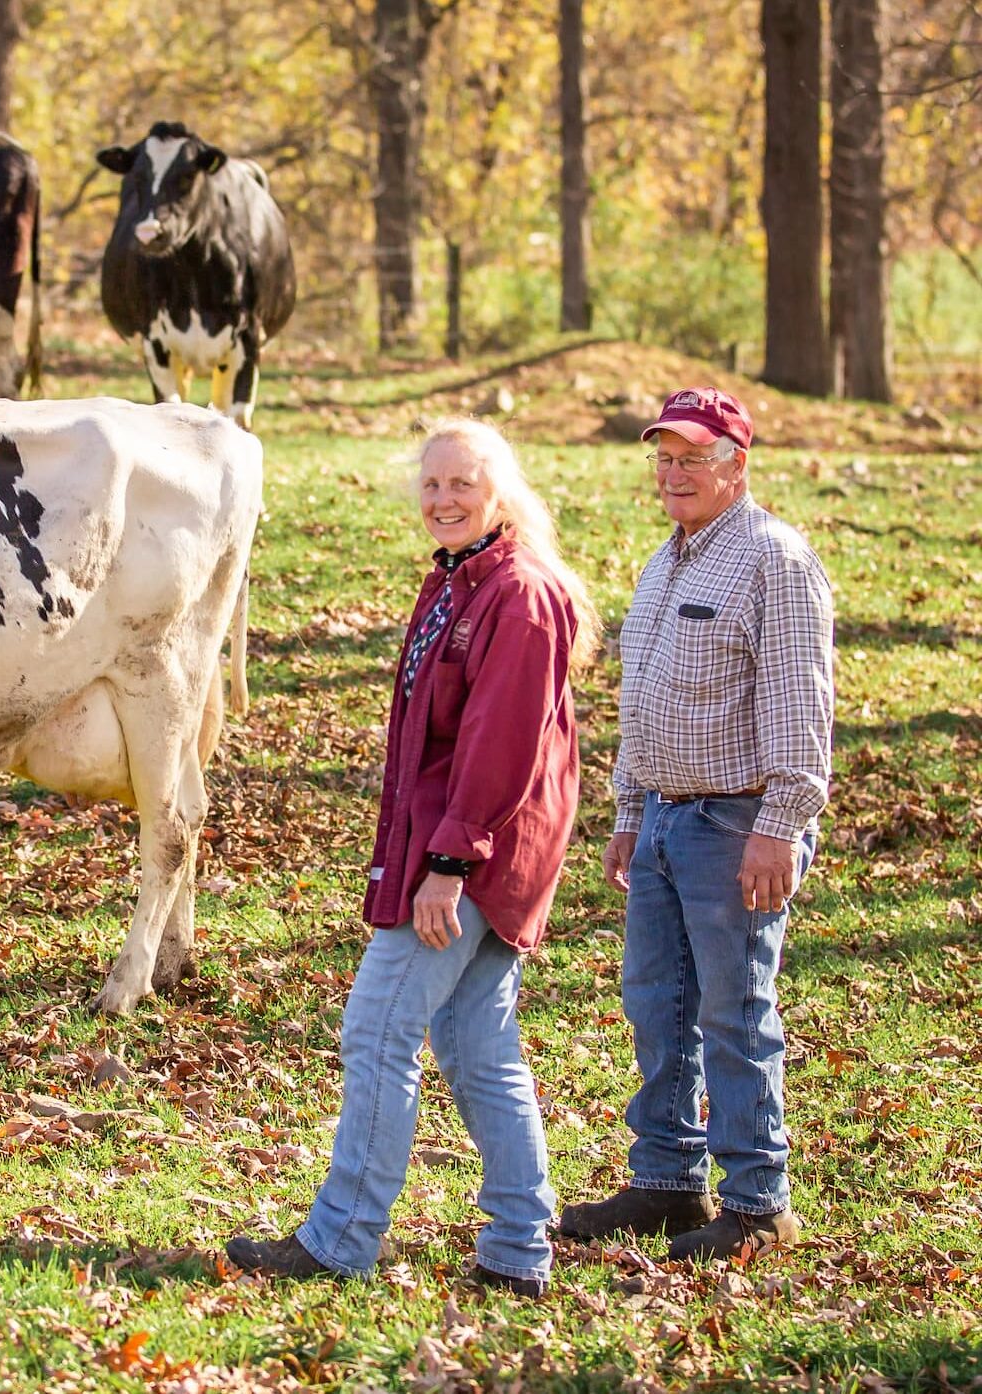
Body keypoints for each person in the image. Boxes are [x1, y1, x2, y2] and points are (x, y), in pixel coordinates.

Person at [225, 419, 599, 1296]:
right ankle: (518, 1248)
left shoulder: (520, 594)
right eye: (431, 485)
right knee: (476, 1046)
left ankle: (342, 1238)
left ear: (499, 491)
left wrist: (451, 863)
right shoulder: (455, 582)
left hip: (473, 856)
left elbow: (499, 746)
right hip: (451, 847)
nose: (443, 500)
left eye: (462, 484)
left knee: (378, 1029)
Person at [559, 387, 833, 1262]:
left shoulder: (772, 561)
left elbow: (800, 705)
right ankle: (668, 1180)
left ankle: (759, 1201)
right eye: (665, 459)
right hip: (665, 822)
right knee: (657, 1007)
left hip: (735, 822)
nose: (675, 474)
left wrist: (780, 824)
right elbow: (639, 703)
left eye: (694, 459)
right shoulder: (664, 560)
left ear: (735, 465)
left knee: (735, 1012)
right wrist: (629, 815)